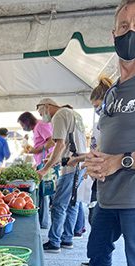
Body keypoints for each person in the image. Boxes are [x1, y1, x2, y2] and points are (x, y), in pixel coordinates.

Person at [57, 0, 135, 266]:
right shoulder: (111, 92)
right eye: (124, 27)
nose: (131, 32)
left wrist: (119, 161)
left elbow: (121, 153)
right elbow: (107, 139)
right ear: (113, 34)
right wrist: (91, 158)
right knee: (97, 252)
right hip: (108, 194)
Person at [74, 76, 114, 266]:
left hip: (108, 182)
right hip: (99, 180)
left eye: (97, 106)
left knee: (99, 229)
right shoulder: (103, 121)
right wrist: (83, 159)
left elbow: (104, 151)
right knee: (96, 226)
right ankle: (94, 264)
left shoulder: (113, 120)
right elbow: (97, 149)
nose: (97, 110)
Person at [36, 99, 87, 253]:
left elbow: (61, 145)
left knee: (58, 205)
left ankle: (54, 242)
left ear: (47, 107)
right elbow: (71, 143)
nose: (42, 117)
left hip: (71, 167)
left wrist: (45, 169)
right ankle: (67, 239)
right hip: (80, 163)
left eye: (41, 113)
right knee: (72, 204)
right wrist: (54, 160)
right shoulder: (73, 113)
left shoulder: (59, 115)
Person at [17, 112, 54, 228]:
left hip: (45, 163)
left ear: (27, 121)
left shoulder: (41, 125)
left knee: (44, 194)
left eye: (23, 125)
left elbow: (52, 141)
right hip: (42, 162)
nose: (23, 128)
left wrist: (36, 150)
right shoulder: (38, 127)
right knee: (43, 194)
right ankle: (43, 222)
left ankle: (43, 223)